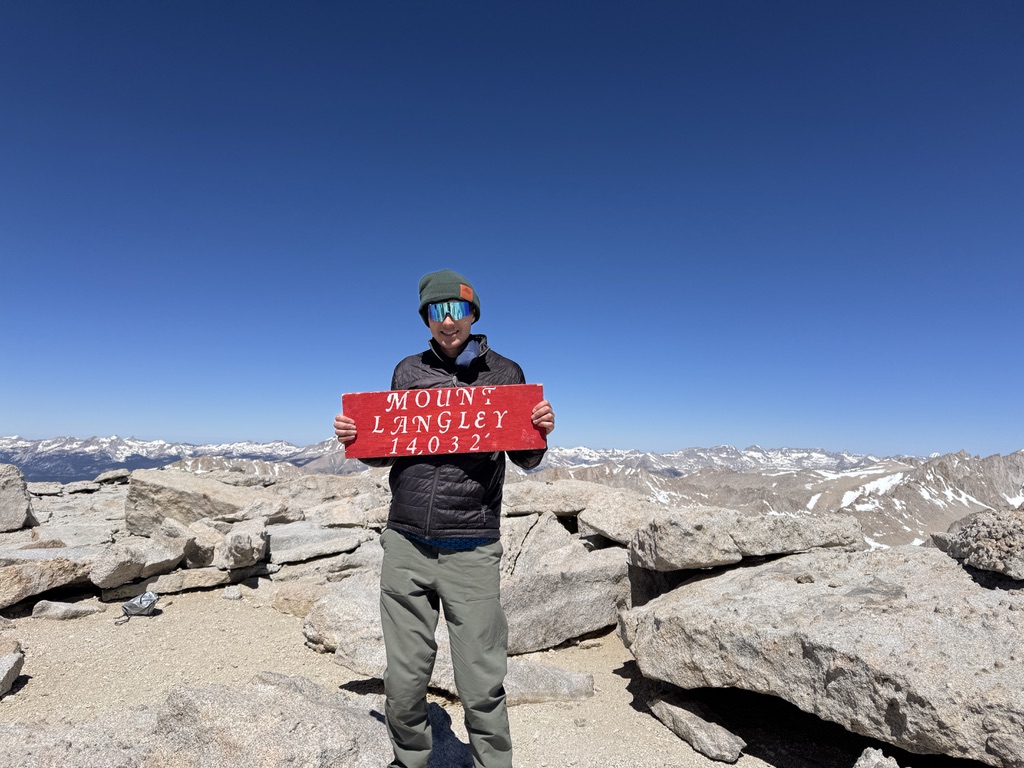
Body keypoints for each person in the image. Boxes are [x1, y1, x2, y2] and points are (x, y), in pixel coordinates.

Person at [334, 268, 555, 768]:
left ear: (473, 314)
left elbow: (525, 458)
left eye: (456, 310)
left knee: (480, 681)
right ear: (426, 319)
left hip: (472, 547)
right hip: (406, 543)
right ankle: (410, 760)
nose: (447, 321)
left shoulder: (505, 373)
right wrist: (356, 437)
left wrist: (539, 429)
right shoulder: (407, 371)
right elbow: (388, 448)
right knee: (405, 680)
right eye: (437, 312)